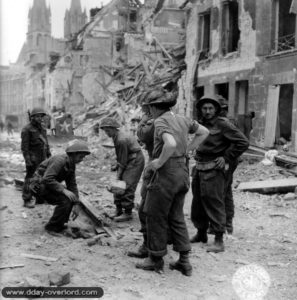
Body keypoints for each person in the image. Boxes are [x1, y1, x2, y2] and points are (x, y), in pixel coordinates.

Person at [135, 90, 209, 276]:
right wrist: (188, 151)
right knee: (176, 216)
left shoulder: (160, 121)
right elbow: (204, 132)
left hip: (166, 172)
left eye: (149, 108)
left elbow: (170, 143)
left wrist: (158, 162)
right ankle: (184, 261)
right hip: (182, 171)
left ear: (153, 107)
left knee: (155, 215)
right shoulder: (183, 119)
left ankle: (155, 259)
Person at [190, 94, 249, 252]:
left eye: (210, 108)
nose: (207, 111)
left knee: (214, 202)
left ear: (216, 109)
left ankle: (218, 239)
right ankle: (201, 233)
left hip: (214, 169)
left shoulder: (223, 124)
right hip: (200, 166)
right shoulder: (200, 124)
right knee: (198, 203)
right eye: (204, 108)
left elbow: (243, 142)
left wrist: (226, 157)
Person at [29, 140, 90, 233]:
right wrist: (63, 190)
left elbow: (72, 185)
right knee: (65, 199)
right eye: (80, 157)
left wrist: (76, 203)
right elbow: (47, 178)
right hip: (38, 185)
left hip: (47, 185)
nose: (82, 159)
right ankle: (51, 227)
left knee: (70, 197)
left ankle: (60, 225)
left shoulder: (71, 165)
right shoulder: (60, 160)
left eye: (83, 157)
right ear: (73, 154)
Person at [100, 117, 145, 222]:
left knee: (126, 185)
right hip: (128, 158)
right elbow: (121, 156)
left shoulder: (121, 139)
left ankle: (128, 213)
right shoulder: (116, 136)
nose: (106, 133)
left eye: (108, 130)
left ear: (114, 128)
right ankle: (119, 210)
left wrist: (119, 175)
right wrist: (118, 165)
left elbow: (123, 161)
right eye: (105, 130)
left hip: (135, 160)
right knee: (119, 184)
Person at [127, 100, 155, 258]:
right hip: (170, 166)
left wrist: (144, 121)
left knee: (146, 209)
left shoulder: (156, 121)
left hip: (157, 166)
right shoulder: (176, 119)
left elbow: (142, 135)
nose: (145, 111)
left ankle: (149, 247)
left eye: (147, 109)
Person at [21, 108, 51, 208]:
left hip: (43, 157)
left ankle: (39, 198)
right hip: (33, 158)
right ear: (32, 117)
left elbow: (46, 143)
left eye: (41, 116)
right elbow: (24, 148)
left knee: (41, 178)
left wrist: (49, 154)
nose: (39, 118)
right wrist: (28, 160)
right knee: (30, 178)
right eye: (37, 116)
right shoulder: (27, 129)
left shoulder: (42, 128)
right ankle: (27, 199)